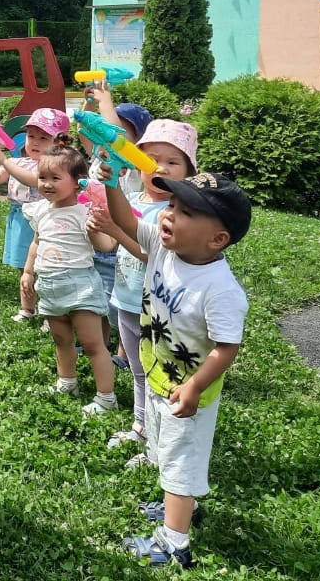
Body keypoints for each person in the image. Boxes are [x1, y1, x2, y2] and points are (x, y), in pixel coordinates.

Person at [104, 170, 251, 569]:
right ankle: (180, 509)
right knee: (163, 449)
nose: (168, 214)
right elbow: (126, 220)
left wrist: (194, 387)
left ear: (217, 239)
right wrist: (112, 184)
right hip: (159, 374)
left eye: (185, 212)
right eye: (171, 205)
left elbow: (226, 348)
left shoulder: (220, 289)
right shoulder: (163, 245)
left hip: (188, 392)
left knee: (178, 465)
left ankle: (174, 544)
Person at [89, 120, 199, 456]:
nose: (160, 168)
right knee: (139, 370)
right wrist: (96, 229)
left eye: (172, 162)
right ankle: (141, 425)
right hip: (126, 298)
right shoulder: (132, 199)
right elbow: (109, 246)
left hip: (157, 309)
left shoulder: (176, 212)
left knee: (159, 373)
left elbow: (153, 254)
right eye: (152, 159)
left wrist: (116, 229)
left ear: (190, 172)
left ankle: (161, 435)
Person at [21, 143, 120, 415]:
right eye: (42, 177)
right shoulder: (41, 210)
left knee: (92, 344)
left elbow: (105, 245)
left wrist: (96, 229)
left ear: (78, 182)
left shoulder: (84, 212)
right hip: (49, 286)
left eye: (55, 178)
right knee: (61, 339)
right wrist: (28, 271)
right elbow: (37, 242)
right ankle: (67, 382)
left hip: (80, 286)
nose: (47, 184)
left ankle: (106, 397)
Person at [81, 81, 153, 354]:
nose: (108, 134)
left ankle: (124, 351)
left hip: (121, 240)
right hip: (96, 234)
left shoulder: (132, 167)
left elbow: (118, 141)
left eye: (121, 130)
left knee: (121, 297)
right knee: (97, 293)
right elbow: (85, 130)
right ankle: (102, 341)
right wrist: (90, 103)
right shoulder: (99, 158)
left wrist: (105, 101)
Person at [0, 108, 69, 322]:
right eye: (31, 136)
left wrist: (4, 160)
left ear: (60, 144)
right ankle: (28, 308)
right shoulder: (18, 162)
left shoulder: (54, 166)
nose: (35, 142)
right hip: (19, 219)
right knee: (25, 267)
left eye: (43, 138)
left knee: (45, 267)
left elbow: (33, 180)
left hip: (43, 222)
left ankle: (50, 311)